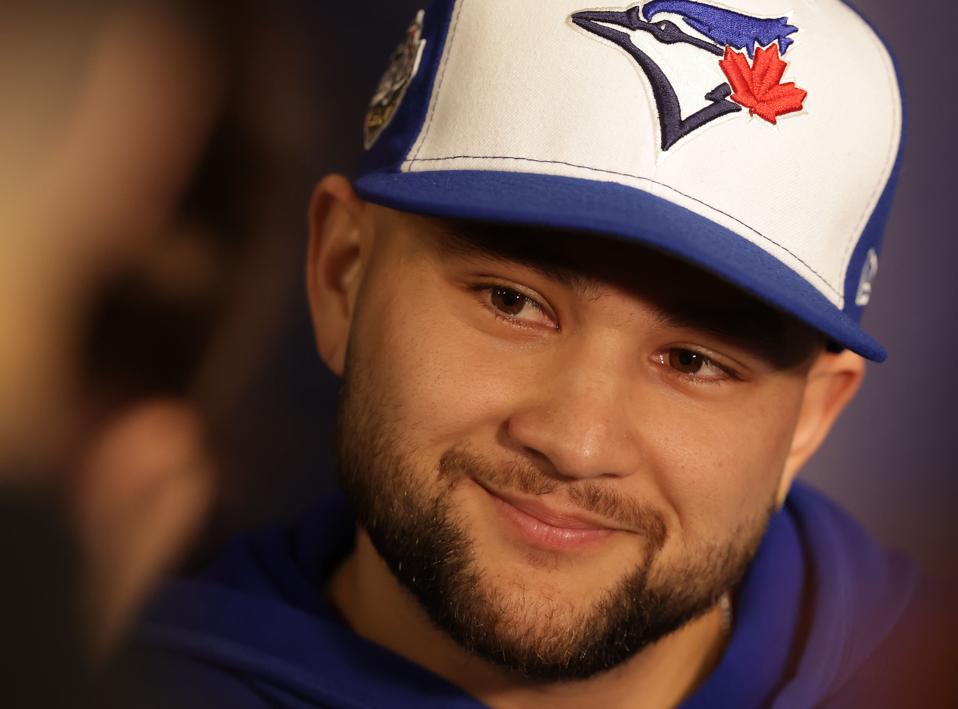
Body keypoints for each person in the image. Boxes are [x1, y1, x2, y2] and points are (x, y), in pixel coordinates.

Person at [117, 0, 958, 707]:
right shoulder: (110, 678)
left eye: (694, 360)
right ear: (343, 275)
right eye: (511, 302)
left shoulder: (918, 676)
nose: (577, 442)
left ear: (811, 418)